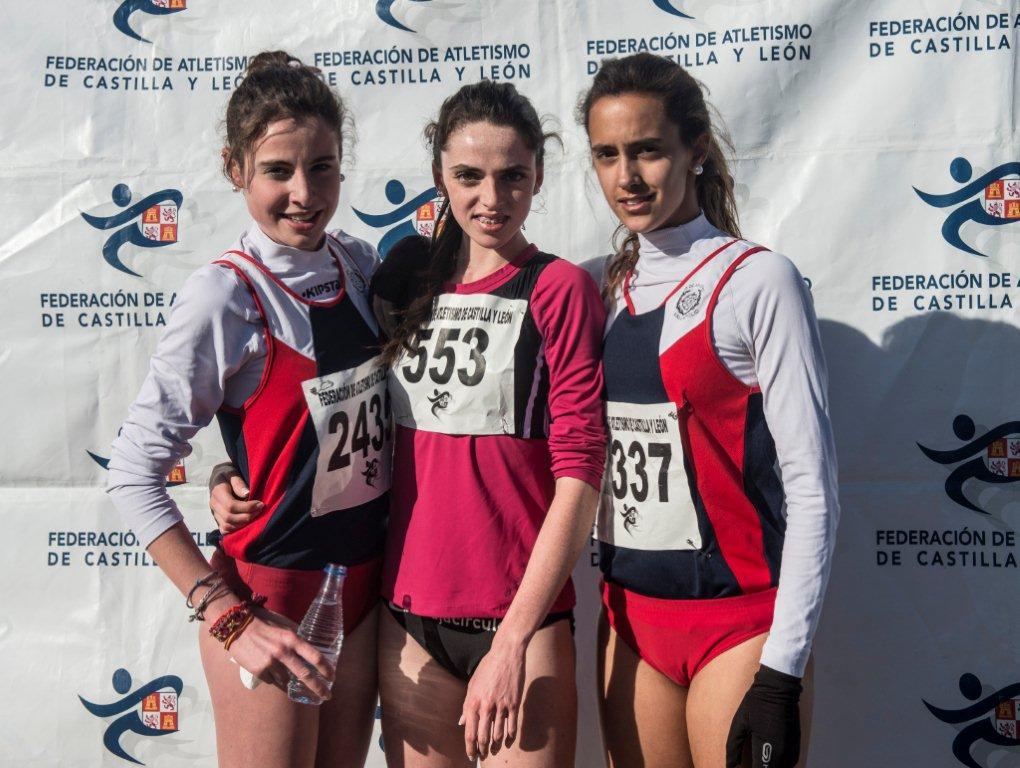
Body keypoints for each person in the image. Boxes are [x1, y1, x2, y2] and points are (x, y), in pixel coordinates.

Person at [213, 80, 608, 767]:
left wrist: (512, 641)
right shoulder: (401, 279)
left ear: (539, 176)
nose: (492, 197)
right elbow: (325, 407)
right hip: (405, 623)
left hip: (519, 623)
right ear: (438, 177)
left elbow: (581, 473)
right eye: (469, 176)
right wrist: (226, 468)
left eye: (514, 176)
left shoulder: (559, 288)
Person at [106, 51, 387, 768]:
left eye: (322, 167)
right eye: (277, 171)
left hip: (363, 591)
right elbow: (132, 472)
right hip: (271, 599)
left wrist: (225, 466)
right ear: (235, 170)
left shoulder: (361, 266)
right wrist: (227, 616)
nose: (303, 193)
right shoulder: (224, 295)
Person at [579, 53, 839, 768]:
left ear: (696, 150)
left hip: (741, 626)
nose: (627, 177)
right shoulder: (592, 288)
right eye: (607, 155)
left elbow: (813, 489)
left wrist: (781, 672)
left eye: (648, 150)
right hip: (630, 625)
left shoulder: (759, 281)